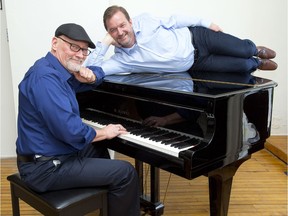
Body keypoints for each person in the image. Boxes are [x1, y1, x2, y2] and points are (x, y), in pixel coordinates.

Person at [16, 23, 140, 216]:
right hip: (44, 169)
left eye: (84, 50)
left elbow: (96, 75)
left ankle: (110, 207)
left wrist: (91, 77)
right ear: (55, 43)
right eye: (74, 47)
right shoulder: (45, 79)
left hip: (52, 155)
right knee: (125, 172)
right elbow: (71, 132)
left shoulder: (58, 72)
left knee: (97, 147)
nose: (81, 55)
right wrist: (104, 131)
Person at [85, 5, 278, 76]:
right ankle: (257, 63)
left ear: (130, 21)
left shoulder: (146, 21)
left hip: (199, 38)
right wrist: (104, 43)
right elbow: (92, 71)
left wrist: (206, 23)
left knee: (243, 49)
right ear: (109, 33)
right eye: (113, 30)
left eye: (122, 25)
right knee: (244, 66)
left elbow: (174, 20)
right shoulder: (121, 61)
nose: (120, 32)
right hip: (195, 63)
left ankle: (254, 48)